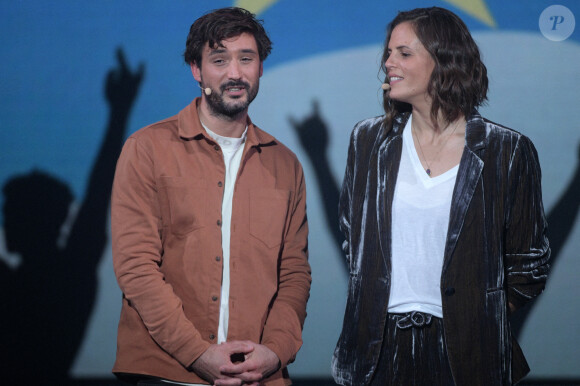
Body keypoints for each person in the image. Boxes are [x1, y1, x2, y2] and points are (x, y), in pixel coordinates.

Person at [331, 7, 549, 386]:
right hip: (375, 352)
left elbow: (528, 264)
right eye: (388, 53)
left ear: (444, 59)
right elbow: (353, 236)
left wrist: (477, 315)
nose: (387, 64)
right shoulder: (367, 140)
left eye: (403, 53)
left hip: (466, 356)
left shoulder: (507, 150)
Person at [111, 7, 311, 386]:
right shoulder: (147, 149)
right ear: (197, 70)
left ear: (260, 68)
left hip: (260, 375)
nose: (235, 73)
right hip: (168, 371)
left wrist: (276, 351)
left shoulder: (285, 164)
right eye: (219, 59)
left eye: (246, 59)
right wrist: (197, 353)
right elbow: (136, 265)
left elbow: (294, 274)